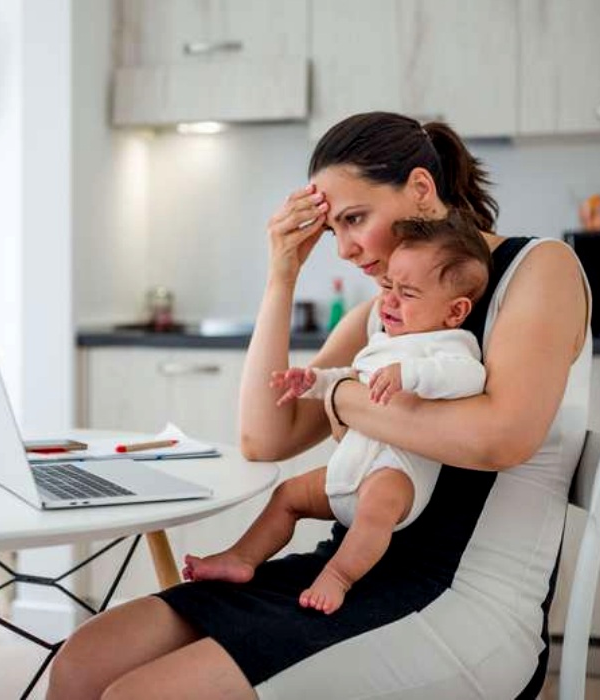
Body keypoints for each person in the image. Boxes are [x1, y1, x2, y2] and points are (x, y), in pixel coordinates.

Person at [46, 111, 591, 700]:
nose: (347, 249)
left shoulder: (539, 270)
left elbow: (499, 439)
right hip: (346, 571)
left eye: (356, 219)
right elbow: (266, 437)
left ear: (421, 189)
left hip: (466, 600)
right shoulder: (378, 315)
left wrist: (338, 394)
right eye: (334, 231)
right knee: (84, 661)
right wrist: (282, 274)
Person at [182, 212, 492, 616]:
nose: (390, 301)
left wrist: (412, 374)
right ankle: (241, 557)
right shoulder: (383, 338)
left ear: (455, 311)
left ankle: (339, 576)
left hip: (397, 475)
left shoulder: (450, 344)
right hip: (351, 468)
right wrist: (313, 382)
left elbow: (469, 377)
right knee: (289, 495)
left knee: (375, 510)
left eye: (409, 293)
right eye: (388, 286)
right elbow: (352, 377)